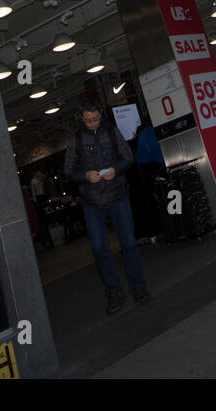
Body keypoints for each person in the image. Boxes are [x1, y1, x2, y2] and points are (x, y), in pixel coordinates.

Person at [62, 101, 150, 315]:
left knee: (129, 243)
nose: (92, 123)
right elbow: (68, 170)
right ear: (82, 119)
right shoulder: (75, 139)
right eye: (88, 120)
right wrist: (84, 176)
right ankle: (113, 292)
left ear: (100, 115)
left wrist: (115, 169)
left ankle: (138, 286)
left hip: (118, 195)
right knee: (100, 249)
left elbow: (128, 157)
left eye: (95, 119)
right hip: (92, 202)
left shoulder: (112, 131)